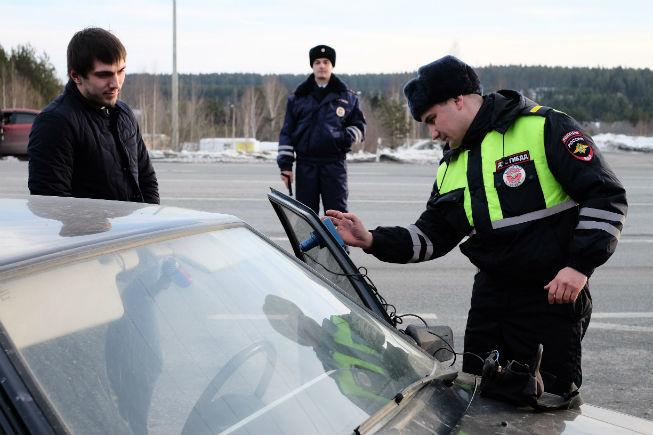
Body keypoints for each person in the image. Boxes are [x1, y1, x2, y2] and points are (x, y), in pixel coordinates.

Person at [327, 55, 627, 398]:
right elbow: (430, 236)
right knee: (477, 403)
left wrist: (579, 265)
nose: (433, 132)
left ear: (458, 99)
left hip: (548, 299)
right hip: (491, 303)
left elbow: (606, 195)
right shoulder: (452, 164)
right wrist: (370, 239)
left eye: (432, 119)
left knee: (544, 407)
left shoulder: (543, 127)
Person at [28, 27, 159, 204]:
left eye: (120, 71)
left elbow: (146, 179)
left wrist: (150, 222)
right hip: (93, 233)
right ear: (76, 76)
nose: (116, 84)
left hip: (135, 230)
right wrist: (93, 227)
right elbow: (50, 202)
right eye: (104, 74)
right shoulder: (55, 122)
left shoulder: (125, 114)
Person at [277, 44, 366, 214]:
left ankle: (335, 243)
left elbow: (359, 127)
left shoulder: (347, 97)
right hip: (306, 165)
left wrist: (343, 139)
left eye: (326, 62)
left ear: (332, 65)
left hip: (334, 165)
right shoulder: (297, 97)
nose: (322, 66)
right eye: (317, 62)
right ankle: (312, 243)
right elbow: (287, 133)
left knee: (337, 216)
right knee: (306, 216)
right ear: (312, 66)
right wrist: (285, 166)